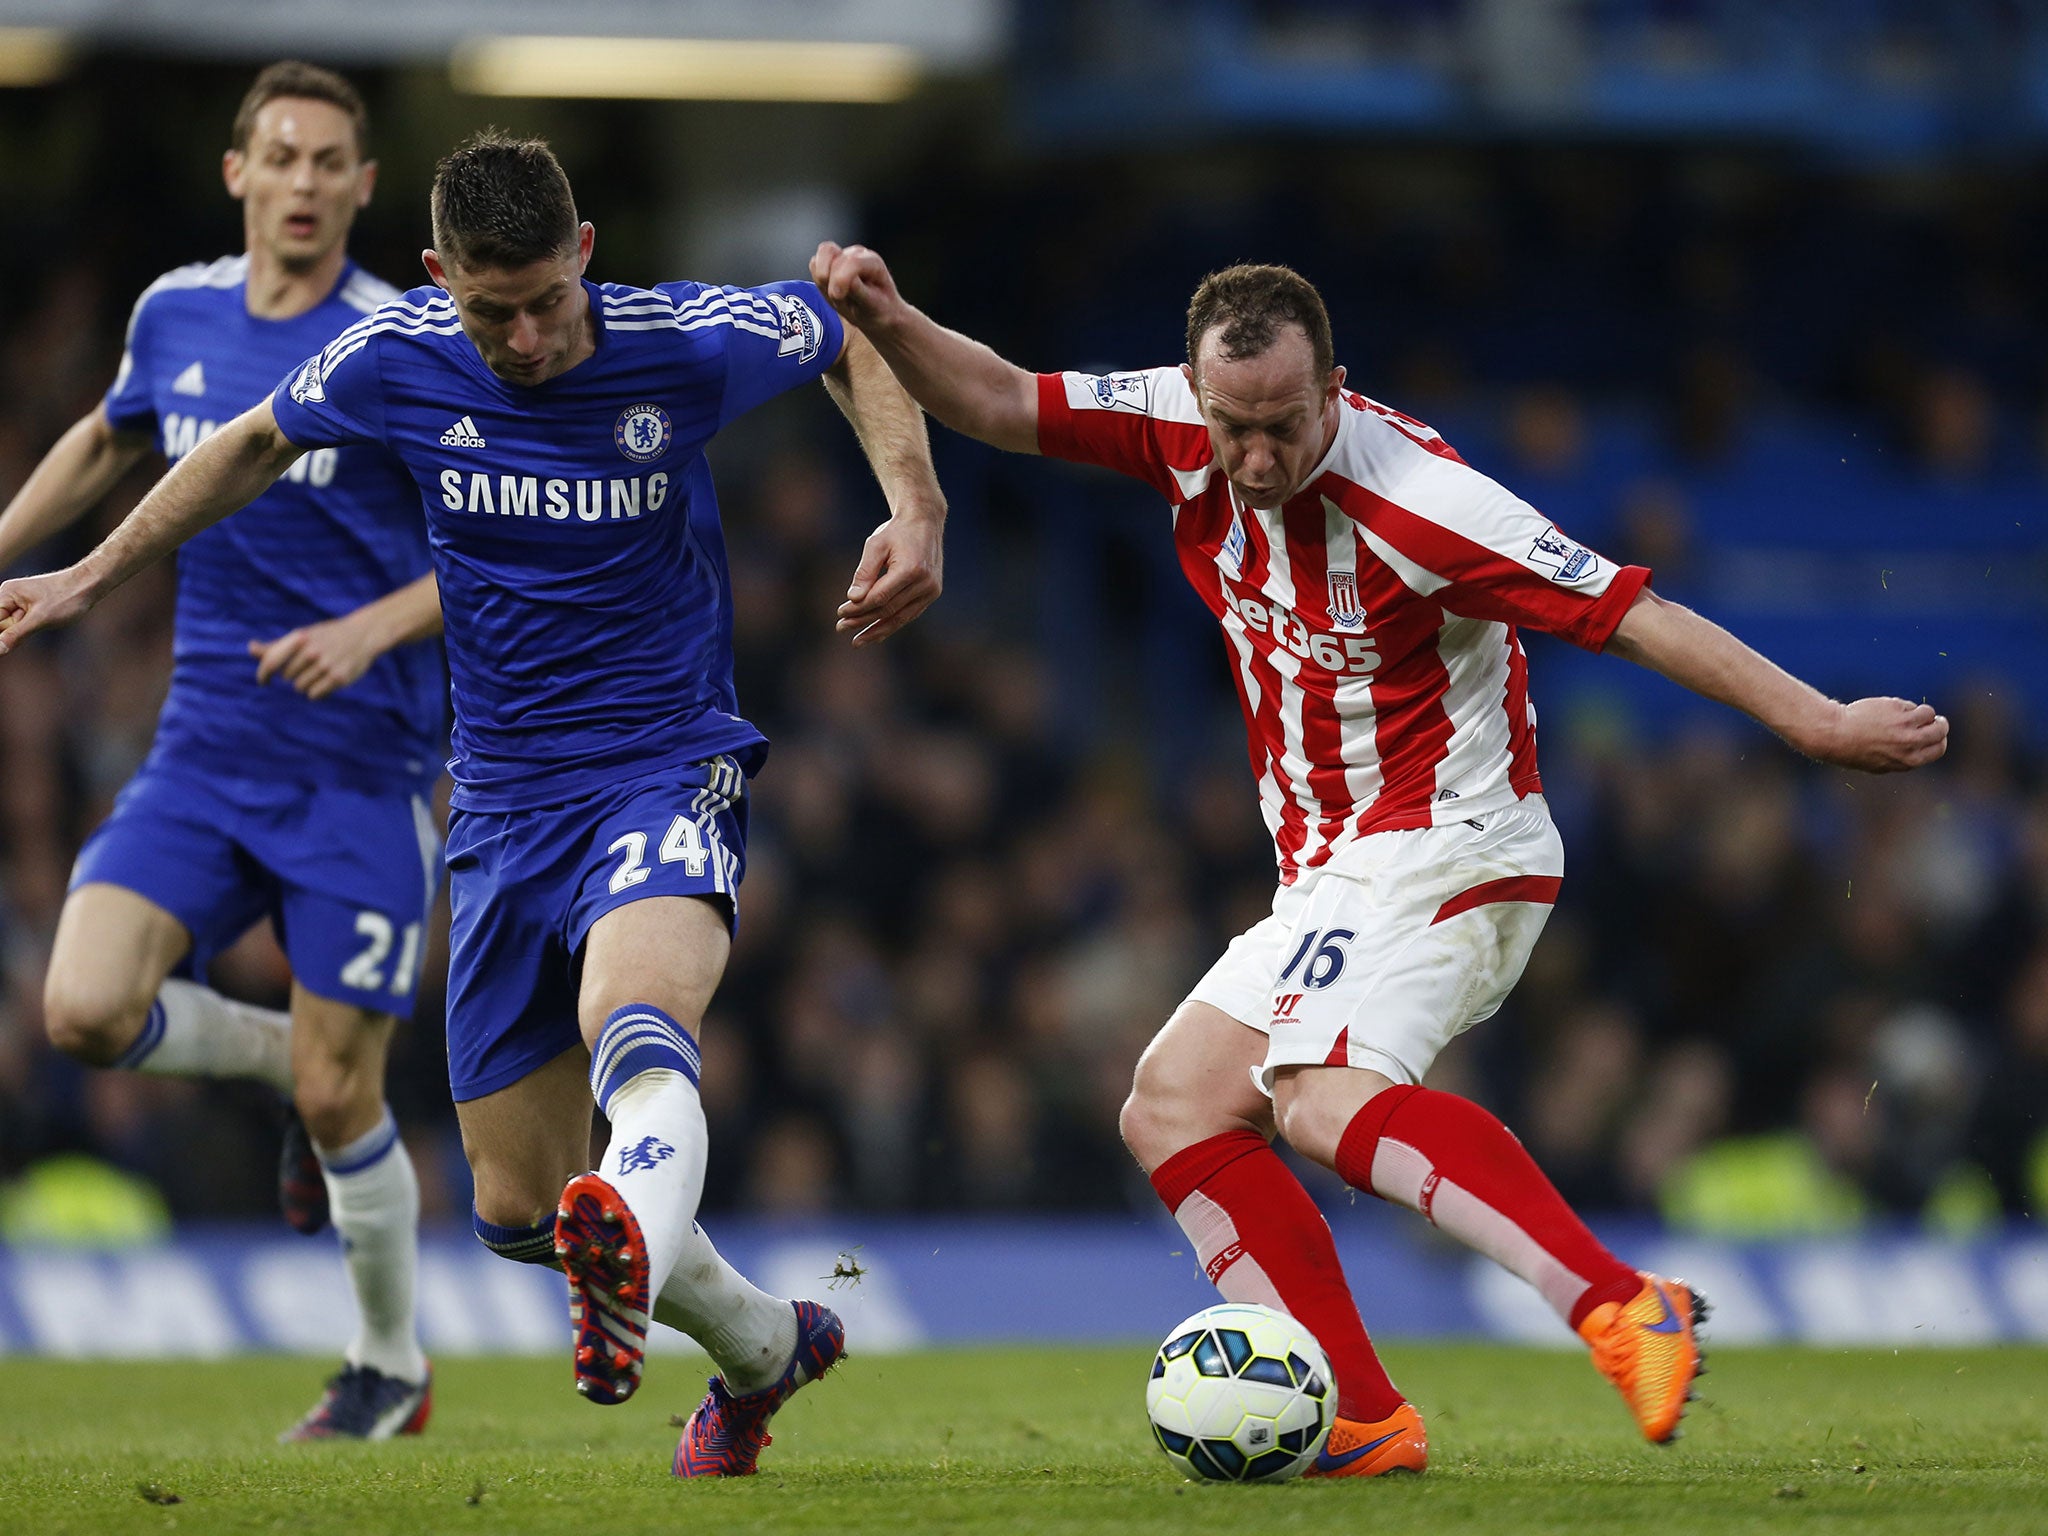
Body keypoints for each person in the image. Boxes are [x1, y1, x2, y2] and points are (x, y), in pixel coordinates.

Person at [805, 245, 1949, 1473]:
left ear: (1333, 391)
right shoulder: (1179, 423)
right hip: (1334, 870)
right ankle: (1360, 1416)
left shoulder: (1424, 501)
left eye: (1281, 428)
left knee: (1316, 1097)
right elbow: (996, 400)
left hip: (1457, 840)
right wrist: (888, 314)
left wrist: (1814, 724)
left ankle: (1619, 1306)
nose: (1252, 458)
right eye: (1231, 425)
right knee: (1173, 1104)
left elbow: (1631, 615)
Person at [0, 132, 946, 1479]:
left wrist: (917, 508)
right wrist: (87, 577)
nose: (524, 336)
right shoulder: (396, 358)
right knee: (514, 1206)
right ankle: (757, 1347)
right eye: (488, 309)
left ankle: (622, 1230)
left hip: (663, 761)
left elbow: (845, 337)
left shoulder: (679, 342)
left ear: (587, 260)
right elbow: (253, 442)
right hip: (500, 806)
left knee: (638, 1012)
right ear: (437, 277)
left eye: (549, 300)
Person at [0, 62, 444, 1441]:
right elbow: (107, 435)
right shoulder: (176, 314)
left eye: (331, 164)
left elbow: (497, 540)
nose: (305, 184)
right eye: (284, 157)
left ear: (364, 189)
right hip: (201, 751)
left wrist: (374, 626)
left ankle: (391, 1367)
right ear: (237, 173)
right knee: (79, 1008)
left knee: (342, 1089)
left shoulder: (407, 342)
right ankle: (283, 1062)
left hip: (363, 767)